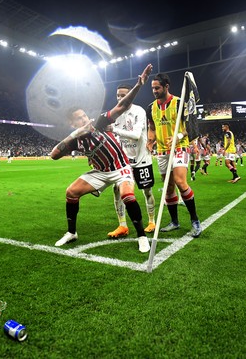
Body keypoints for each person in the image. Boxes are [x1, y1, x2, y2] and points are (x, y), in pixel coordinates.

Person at [50, 63, 153, 252]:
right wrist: (74, 134)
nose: (84, 120)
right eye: (79, 119)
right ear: (72, 123)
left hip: (121, 168)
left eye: (84, 116)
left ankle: (141, 236)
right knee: (70, 192)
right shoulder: (75, 140)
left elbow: (121, 106)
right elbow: (54, 155)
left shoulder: (98, 122)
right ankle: (72, 232)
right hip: (100, 172)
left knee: (127, 195)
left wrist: (139, 85)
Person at [147, 72, 202, 237]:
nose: (155, 91)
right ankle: (174, 222)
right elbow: (152, 127)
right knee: (168, 188)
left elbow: (190, 127)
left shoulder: (179, 103)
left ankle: (195, 221)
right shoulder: (151, 107)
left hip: (179, 147)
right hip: (162, 151)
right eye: (153, 88)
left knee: (180, 181)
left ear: (166, 87)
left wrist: (178, 136)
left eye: (157, 88)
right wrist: (150, 142)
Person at [108, 83, 157, 238]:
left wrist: (113, 129)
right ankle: (122, 225)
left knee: (147, 191)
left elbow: (136, 135)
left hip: (142, 159)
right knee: (117, 191)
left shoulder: (139, 111)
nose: (120, 98)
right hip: (124, 162)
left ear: (131, 95)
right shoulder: (115, 114)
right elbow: (114, 138)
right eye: (118, 95)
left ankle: (152, 221)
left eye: (123, 95)